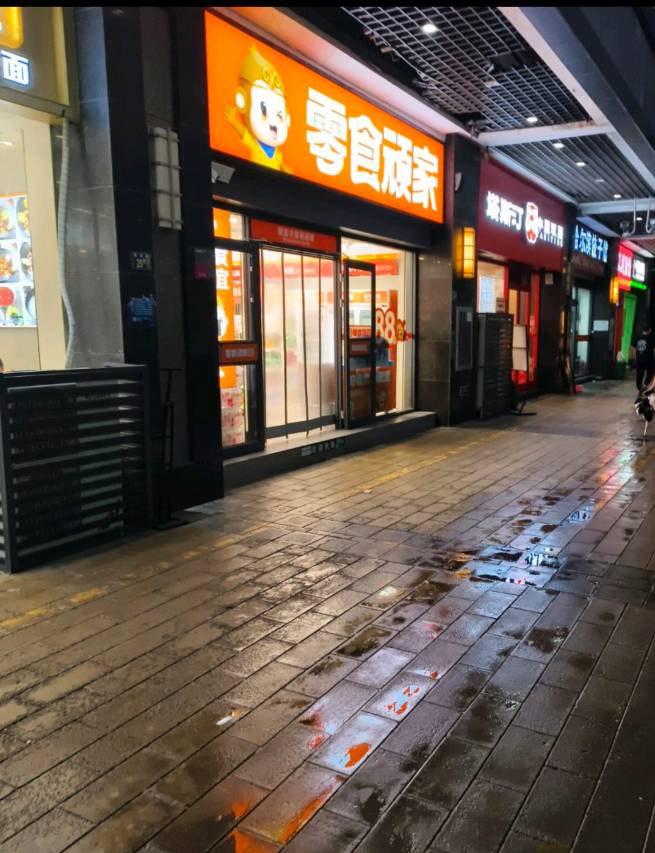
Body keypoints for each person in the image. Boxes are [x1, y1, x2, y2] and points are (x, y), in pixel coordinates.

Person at [635, 326, 654, 396]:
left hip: (639, 359)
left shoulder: (638, 338)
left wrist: (636, 357)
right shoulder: (651, 338)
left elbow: (635, 349)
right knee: (650, 373)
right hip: (648, 359)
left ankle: (639, 388)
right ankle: (644, 386)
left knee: (639, 374)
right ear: (649, 330)